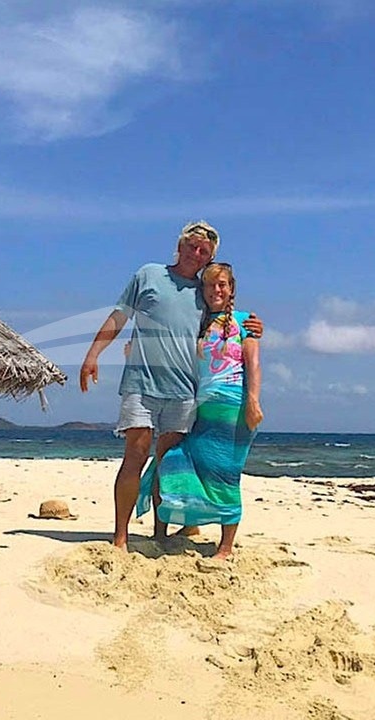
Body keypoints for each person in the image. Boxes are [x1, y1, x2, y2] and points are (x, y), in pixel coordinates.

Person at [79, 221, 261, 551]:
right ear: (179, 245)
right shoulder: (148, 274)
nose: (196, 253)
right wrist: (93, 354)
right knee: (134, 456)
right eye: (191, 246)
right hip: (141, 383)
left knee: (167, 464)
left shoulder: (204, 292)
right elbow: (119, 316)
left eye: (203, 251)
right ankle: (120, 537)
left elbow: (227, 317)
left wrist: (253, 326)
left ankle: (159, 533)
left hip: (183, 392)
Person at [135, 262, 262, 560]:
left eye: (222, 285)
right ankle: (165, 532)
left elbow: (253, 364)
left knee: (224, 474)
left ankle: (226, 547)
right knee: (172, 462)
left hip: (233, 408)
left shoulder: (245, 323)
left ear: (231, 289)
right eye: (210, 285)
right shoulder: (197, 323)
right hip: (199, 408)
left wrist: (254, 401)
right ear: (202, 290)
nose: (216, 290)